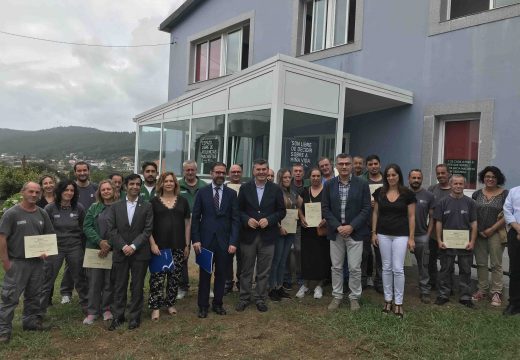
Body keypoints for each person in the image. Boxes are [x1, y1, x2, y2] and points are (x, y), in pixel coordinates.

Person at [0, 182, 54, 344]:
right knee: (10, 298)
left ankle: (30, 323)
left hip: (37, 263)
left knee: (34, 295)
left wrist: (46, 250)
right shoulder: (11, 213)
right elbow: (2, 238)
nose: (34, 194)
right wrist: (5, 261)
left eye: (37, 192)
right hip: (17, 262)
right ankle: (3, 331)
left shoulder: (42, 213)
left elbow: (48, 235)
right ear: (22, 192)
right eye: (30, 191)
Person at [322, 154, 371, 311]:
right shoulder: (329, 185)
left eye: (347, 164)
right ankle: (337, 296)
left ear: (352, 166)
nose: (344, 167)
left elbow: (366, 208)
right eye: (341, 164)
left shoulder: (362, 184)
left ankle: (354, 297)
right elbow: (325, 208)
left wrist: (351, 226)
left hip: (355, 232)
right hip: (336, 233)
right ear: (336, 166)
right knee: (336, 267)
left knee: (354, 267)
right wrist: (337, 226)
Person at [235, 159, 286, 313]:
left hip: (268, 236)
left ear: (268, 170)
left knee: (264, 271)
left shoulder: (276, 189)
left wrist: (270, 220)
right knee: (246, 270)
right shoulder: (245, 188)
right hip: (248, 235)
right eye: (259, 169)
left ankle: (260, 298)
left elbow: (281, 211)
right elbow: (238, 210)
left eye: (264, 169)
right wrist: (246, 220)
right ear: (253, 171)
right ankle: (244, 298)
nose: (262, 172)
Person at [192, 163, 239, 318]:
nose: (220, 175)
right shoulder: (202, 192)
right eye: (217, 172)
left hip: (224, 242)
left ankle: (218, 304)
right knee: (205, 274)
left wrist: (233, 242)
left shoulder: (232, 194)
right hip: (205, 241)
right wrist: (196, 239)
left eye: (223, 173)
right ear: (211, 173)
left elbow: (235, 220)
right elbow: (195, 218)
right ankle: (203, 306)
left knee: (221, 274)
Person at [107, 174, 153, 331]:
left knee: (137, 285)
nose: (135, 187)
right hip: (121, 252)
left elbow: (147, 230)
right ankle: (118, 316)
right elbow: (111, 230)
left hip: (140, 253)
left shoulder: (147, 206)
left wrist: (133, 246)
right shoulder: (115, 206)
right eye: (132, 184)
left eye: (138, 184)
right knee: (119, 285)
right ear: (125, 186)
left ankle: (135, 317)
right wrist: (123, 246)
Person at [372, 164, 416, 318]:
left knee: (398, 268)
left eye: (394, 175)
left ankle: (398, 302)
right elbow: (376, 213)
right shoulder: (379, 192)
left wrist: (411, 238)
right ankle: (387, 300)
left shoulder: (408, 194)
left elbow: (411, 216)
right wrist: (374, 233)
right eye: (388, 175)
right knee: (386, 267)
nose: (391, 178)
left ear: (399, 176)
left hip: (400, 235)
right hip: (383, 234)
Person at [41, 180, 89, 315]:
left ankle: (86, 304)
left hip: (74, 247)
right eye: (66, 190)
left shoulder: (78, 208)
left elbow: (83, 227)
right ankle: (39, 310)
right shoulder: (49, 208)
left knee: (80, 277)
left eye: (72, 190)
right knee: (48, 277)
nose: (69, 193)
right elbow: (43, 230)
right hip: (54, 247)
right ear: (60, 191)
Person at [148, 172, 191, 320]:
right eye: (166, 181)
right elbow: (148, 226)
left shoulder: (183, 202)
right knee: (157, 279)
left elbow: (187, 224)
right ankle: (155, 307)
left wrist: (186, 245)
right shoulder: (153, 202)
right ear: (161, 183)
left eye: (171, 181)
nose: (168, 183)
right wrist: (152, 243)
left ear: (175, 184)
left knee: (174, 278)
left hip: (178, 245)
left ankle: (170, 303)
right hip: (159, 247)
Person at [433, 175, 477, 308]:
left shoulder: (470, 203)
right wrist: (439, 240)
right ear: (451, 185)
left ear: (464, 185)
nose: (458, 186)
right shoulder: (442, 202)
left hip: (465, 244)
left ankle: (465, 297)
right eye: (455, 184)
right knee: (445, 269)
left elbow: (474, 223)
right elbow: (438, 222)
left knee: (466, 270)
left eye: (461, 184)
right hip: (447, 243)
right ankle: (443, 295)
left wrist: (472, 241)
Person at [60, 161, 97, 305]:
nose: (82, 173)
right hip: (75, 233)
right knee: (71, 263)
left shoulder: (96, 188)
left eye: (84, 170)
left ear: (89, 171)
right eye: (79, 171)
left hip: (92, 232)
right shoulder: (71, 189)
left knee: (91, 262)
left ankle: (92, 290)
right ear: (75, 172)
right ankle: (66, 292)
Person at [471, 166, 508, 307]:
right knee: (481, 263)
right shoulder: (476, 194)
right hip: (479, 233)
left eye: (493, 177)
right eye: (487, 176)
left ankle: (496, 292)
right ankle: (482, 290)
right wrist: (479, 230)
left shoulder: (505, 194)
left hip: (496, 232)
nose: (490, 179)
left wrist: (492, 229)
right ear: (483, 178)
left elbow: (507, 215)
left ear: (498, 178)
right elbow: (473, 213)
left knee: (496, 263)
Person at [82, 180, 117, 325]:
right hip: (95, 250)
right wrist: (100, 242)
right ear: (100, 192)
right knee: (94, 282)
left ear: (114, 191)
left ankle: (107, 309)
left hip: (113, 250)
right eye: (103, 190)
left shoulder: (119, 207)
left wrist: (109, 244)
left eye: (109, 189)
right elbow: (87, 226)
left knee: (109, 282)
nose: (106, 191)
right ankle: (92, 312)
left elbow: (122, 228)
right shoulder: (94, 207)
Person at [297, 167, 331, 299]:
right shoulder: (304, 192)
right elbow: (299, 207)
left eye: (318, 176)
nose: (315, 178)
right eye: (313, 176)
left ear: (321, 177)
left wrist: (325, 219)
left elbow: (332, 207)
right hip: (307, 230)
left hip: (321, 230)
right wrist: (301, 217)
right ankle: (305, 284)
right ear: (309, 177)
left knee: (321, 257)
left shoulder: (326, 191)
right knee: (306, 257)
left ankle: (319, 285)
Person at [268, 169, 301, 301]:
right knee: (276, 260)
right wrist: (279, 226)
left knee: (283, 260)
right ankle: (272, 288)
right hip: (279, 230)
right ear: (280, 178)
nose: (287, 179)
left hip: (291, 229)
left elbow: (297, 207)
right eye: (285, 177)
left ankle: (279, 286)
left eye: (289, 177)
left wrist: (299, 217)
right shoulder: (275, 191)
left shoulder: (293, 192)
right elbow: (271, 211)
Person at [178, 160, 206, 299]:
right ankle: (183, 286)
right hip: (183, 226)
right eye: (187, 170)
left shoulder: (204, 186)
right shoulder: (177, 185)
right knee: (183, 255)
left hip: (202, 225)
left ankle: (205, 286)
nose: (190, 172)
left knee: (204, 255)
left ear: (196, 170)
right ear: (184, 171)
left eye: (192, 170)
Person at [408, 169, 435, 303]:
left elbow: (432, 217)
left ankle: (425, 291)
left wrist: (428, 235)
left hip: (421, 236)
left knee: (423, 265)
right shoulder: (403, 193)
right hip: (402, 236)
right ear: (409, 179)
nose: (416, 180)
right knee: (396, 265)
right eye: (413, 177)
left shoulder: (429, 195)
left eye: (418, 178)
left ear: (422, 179)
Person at [362, 154, 384, 292]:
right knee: (363, 254)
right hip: (364, 223)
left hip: (382, 223)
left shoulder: (387, 181)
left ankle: (380, 282)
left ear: (380, 165)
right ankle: (362, 280)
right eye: (370, 164)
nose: (373, 166)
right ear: (367, 166)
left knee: (381, 255)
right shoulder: (361, 181)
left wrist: (379, 203)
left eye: (375, 164)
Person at [427, 164, 452, 289]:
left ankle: (446, 285)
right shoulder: (431, 189)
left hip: (449, 233)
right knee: (432, 259)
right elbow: (426, 207)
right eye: (438, 173)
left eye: (443, 173)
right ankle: (432, 283)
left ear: (449, 174)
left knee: (447, 262)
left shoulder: (454, 189)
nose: (440, 175)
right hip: (433, 232)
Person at [224, 164, 243, 293]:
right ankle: (227, 282)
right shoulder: (223, 188)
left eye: (238, 172)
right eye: (233, 172)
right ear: (229, 174)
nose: (236, 174)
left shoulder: (247, 188)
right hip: (227, 227)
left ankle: (241, 282)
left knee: (242, 257)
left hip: (243, 228)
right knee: (227, 256)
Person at [503, 185, 520, 316]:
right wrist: (518, 229)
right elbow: (507, 211)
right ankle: (514, 303)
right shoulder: (514, 191)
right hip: (515, 233)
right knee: (515, 270)